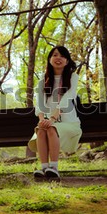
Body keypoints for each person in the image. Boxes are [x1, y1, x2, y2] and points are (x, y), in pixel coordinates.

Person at [28, 46, 82, 179]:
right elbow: (39, 101)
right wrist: (41, 119)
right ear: (50, 59)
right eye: (55, 55)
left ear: (67, 61)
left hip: (69, 123)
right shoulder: (43, 80)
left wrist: (52, 118)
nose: (59, 58)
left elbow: (68, 97)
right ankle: (44, 168)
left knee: (51, 129)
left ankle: (54, 168)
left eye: (63, 56)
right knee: (40, 130)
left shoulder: (72, 77)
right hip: (48, 121)